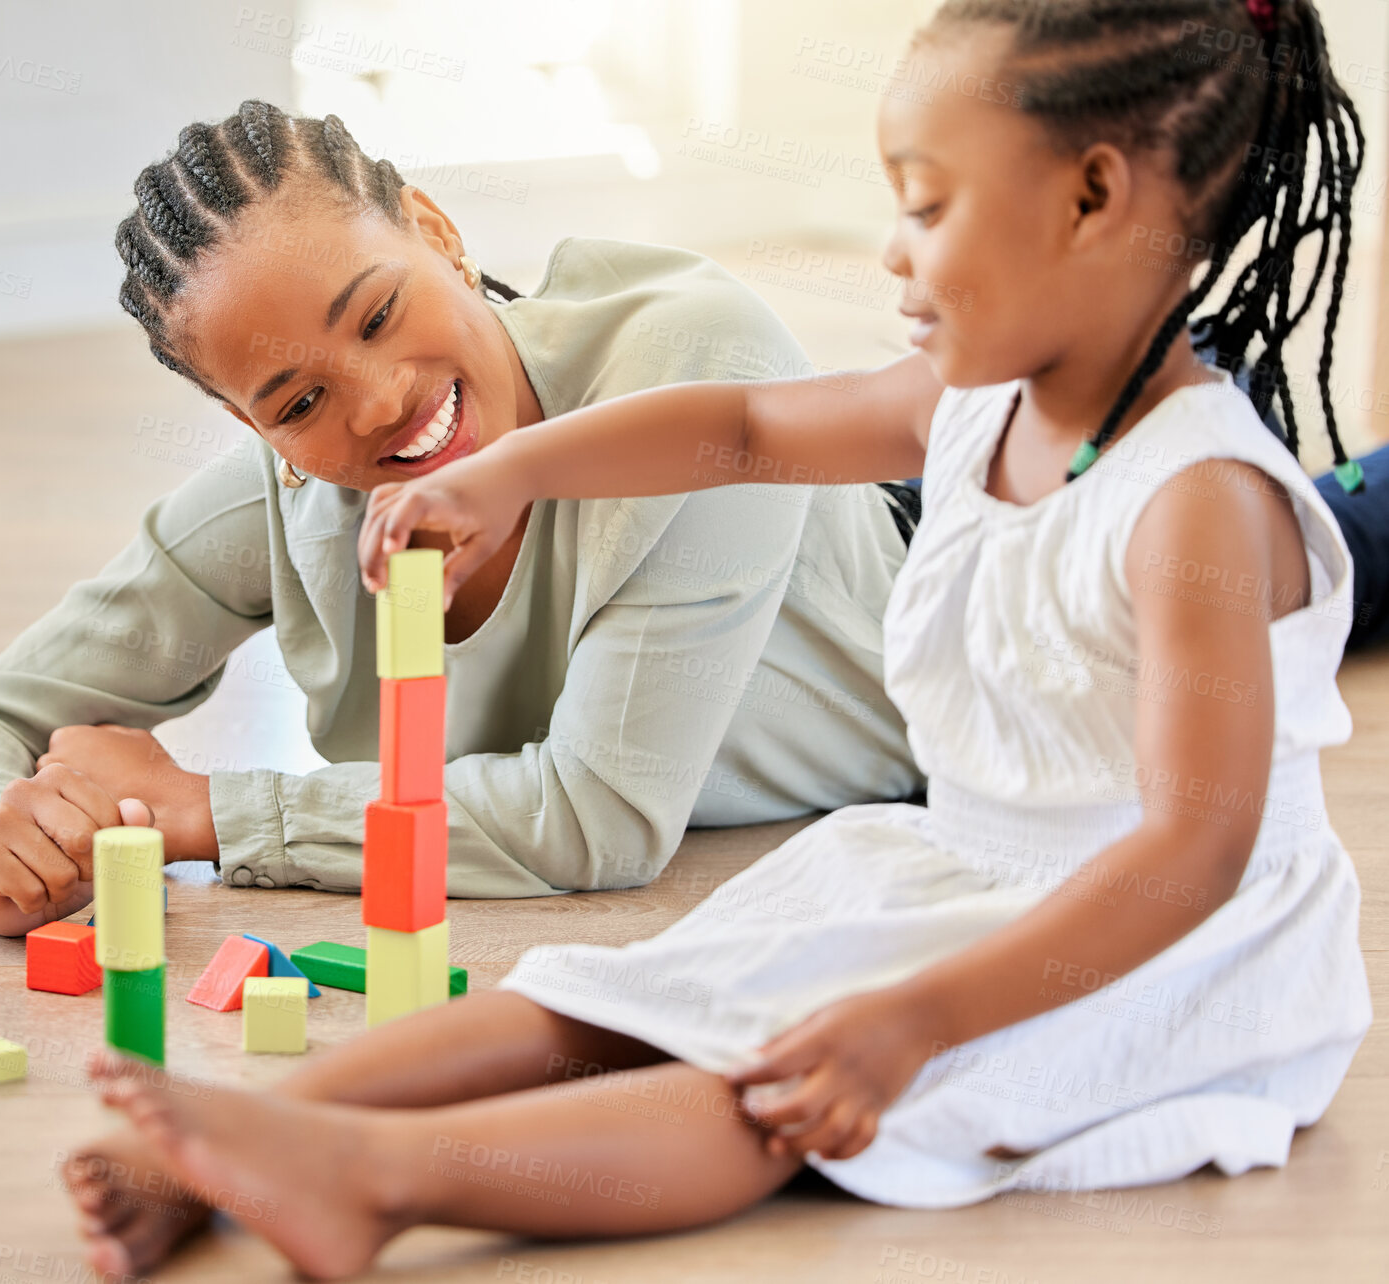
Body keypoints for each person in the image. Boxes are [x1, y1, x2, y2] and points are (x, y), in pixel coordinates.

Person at [66, 1, 1373, 1278]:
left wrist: (915, 1021)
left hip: (1156, 948)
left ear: (1090, 202)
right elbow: (745, 431)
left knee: (770, 1091)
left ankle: (377, 1184)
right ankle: (243, 1144)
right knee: (612, 1001)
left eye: (927, 207)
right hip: (959, 865)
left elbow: (1190, 857)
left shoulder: (1198, 498)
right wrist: (508, 471)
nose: (893, 255)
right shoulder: (975, 402)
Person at [0, 102, 925, 936]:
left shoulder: (693, 358)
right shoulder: (290, 494)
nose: (376, 403)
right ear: (249, 426)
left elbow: (595, 821)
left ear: (435, 231)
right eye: (293, 404)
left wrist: (203, 808)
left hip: (965, 610)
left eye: (376, 314)